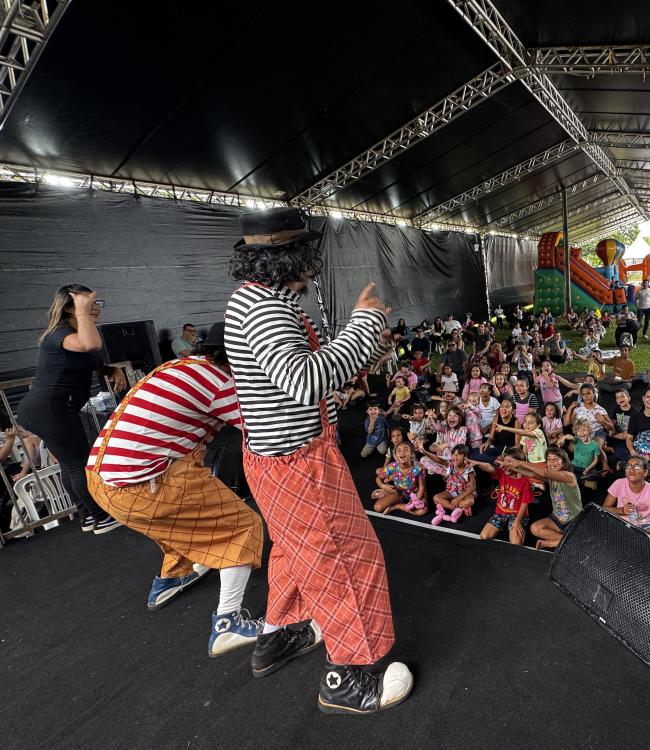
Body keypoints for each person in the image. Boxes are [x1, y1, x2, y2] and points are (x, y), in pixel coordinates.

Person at [224, 208, 411, 714]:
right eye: (310, 257)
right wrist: (365, 323)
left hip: (276, 462)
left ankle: (278, 635)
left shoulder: (260, 300)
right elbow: (305, 381)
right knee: (345, 558)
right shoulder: (267, 310)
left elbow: (300, 374)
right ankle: (347, 678)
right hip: (299, 464)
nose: (315, 267)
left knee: (294, 551)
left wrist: (362, 350)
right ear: (295, 258)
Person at [85, 322, 267, 655]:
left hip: (101, 479)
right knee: (242, 526)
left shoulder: (176, 366)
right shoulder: (219, 382)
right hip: (140, 484)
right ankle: (227, 624)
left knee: (179, 524)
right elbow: (265, 426)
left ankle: (170, 579)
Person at [17, 284, 126, 534]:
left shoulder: (73, 333)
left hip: (47, 409)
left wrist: (110, 369)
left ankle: (87, 514)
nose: (95, 307)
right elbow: (90, 346)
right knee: (79, 463)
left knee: (69, 463)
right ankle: (101, 516)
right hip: (50, 409)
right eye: (89, 303)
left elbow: (87, 358)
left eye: (96, 303)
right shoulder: (60, 333)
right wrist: (83, 313)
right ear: (69, 307)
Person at [512, 448, 583, 550]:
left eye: (555, 458)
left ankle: (553, 543)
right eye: (549, 459)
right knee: (535, 528)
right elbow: (531, 474)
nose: (552, 462)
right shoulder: (551, 478)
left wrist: (520, 462)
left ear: (563, 463)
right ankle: (567, 541)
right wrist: (512, 467)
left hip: (574, 520)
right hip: (557, 519)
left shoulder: (569, 476)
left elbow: (545, 473)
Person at [603, 456, 650, 543]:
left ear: (645, 472)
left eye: (636, 466)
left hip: (646, 526)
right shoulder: (618, 483)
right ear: (625, 472)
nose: (631, 469)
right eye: (628, 466)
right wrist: (621, 510)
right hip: (621, 522)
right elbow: (604, 509)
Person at [470, 449, 534, 544]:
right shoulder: (501, 472)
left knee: (516, 543)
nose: (505, 464)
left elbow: (525, 504)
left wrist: (517, 522)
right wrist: (475, 463)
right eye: (505, 461)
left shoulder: (525, 481)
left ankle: (520, 531)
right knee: (484, 536)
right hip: (500, 513)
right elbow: (488, 467)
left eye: (509, 462)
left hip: (516, 515)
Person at [372, 440, 427, 517]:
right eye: (399, 450)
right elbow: (378, 478)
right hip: (399, 492)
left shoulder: (419, 468)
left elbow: (422, 488)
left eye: (406, 450)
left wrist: (415, 500)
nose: (402, 452)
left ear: (411, 454)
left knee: (422, 511)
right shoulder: (392, 466)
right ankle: (391, 497)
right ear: (396, 455)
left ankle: (397, 506)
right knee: (377, 508)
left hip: (416, 493)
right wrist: (383, 485)